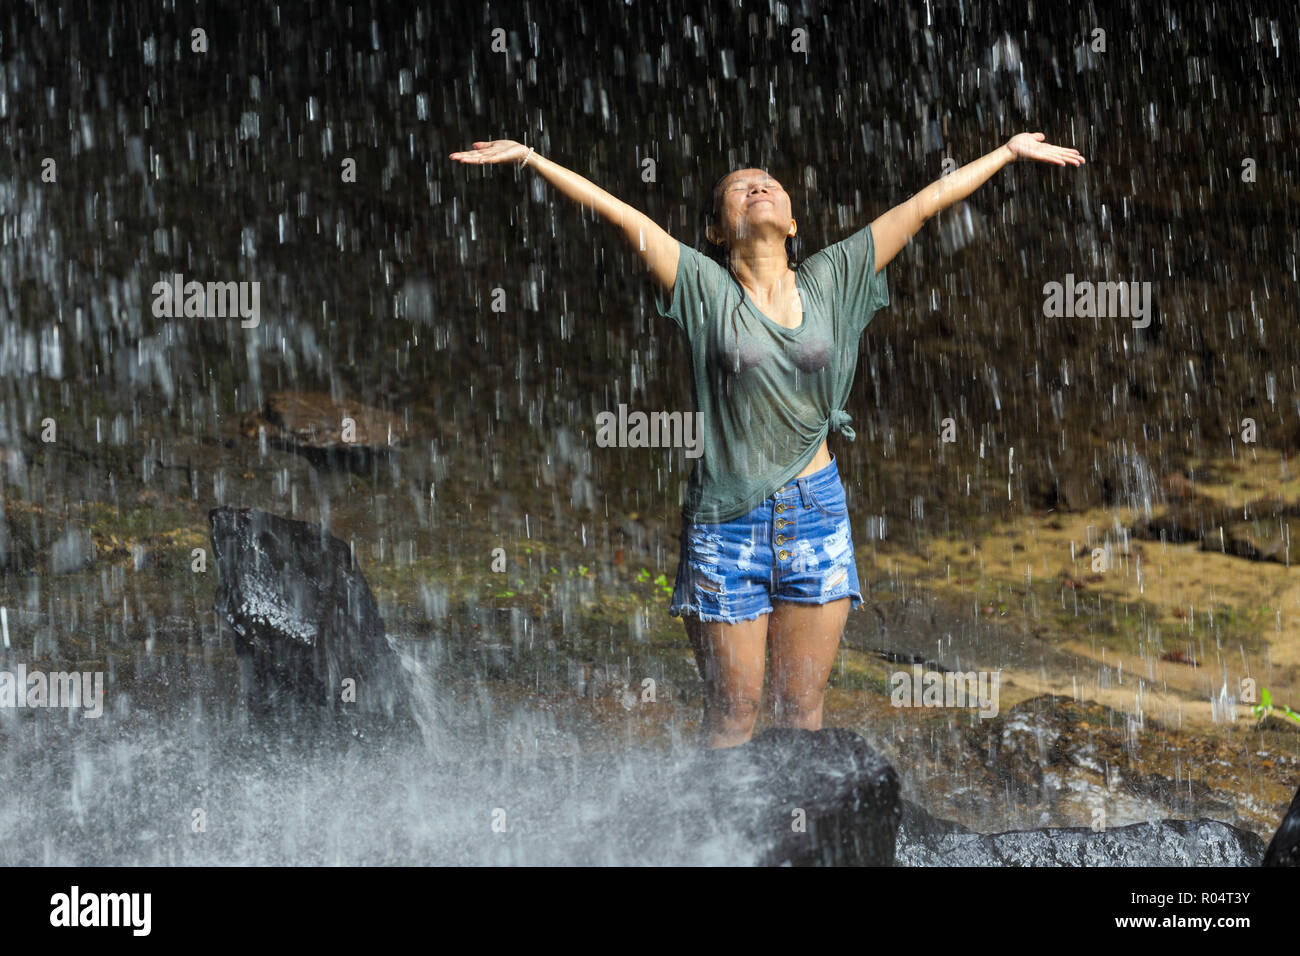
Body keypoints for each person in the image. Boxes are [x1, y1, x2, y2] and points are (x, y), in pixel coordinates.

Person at [450, 133, 1084, 749]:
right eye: (738, 188)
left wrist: (1006, 153)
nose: (758, 186)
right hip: (726, 525)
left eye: (769, 183)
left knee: (800, 713)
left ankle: (796, 847)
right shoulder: (703, 287)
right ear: (717, 232)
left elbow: (921, 206)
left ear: (793, 222)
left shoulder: (835, 274)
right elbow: (620, 213)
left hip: (816, 513)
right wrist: (532, 159)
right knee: (733, 715)